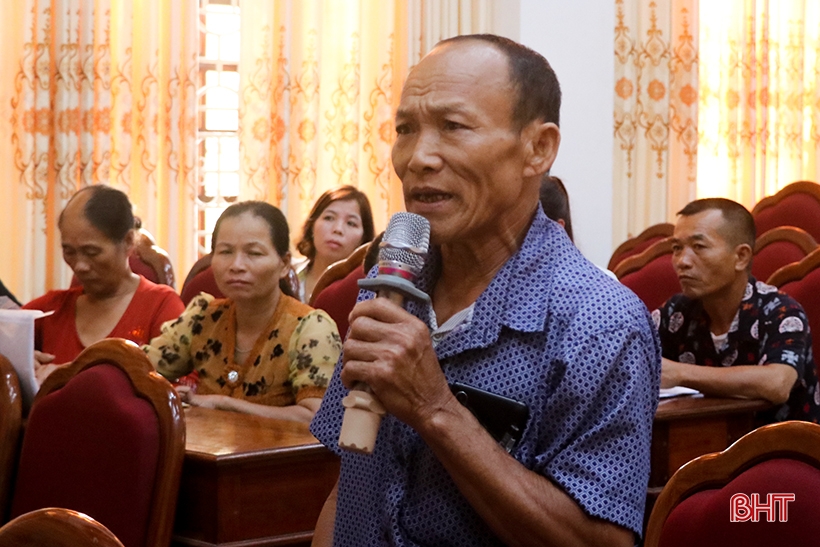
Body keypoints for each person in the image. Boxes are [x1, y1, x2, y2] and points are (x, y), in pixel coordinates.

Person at [310, 34, 660, 547]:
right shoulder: (388, 292)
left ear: (537, 148)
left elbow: (601, 541)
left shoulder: (599, 323)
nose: (418, 158)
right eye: (405, 129)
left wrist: (436, 409)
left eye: (453, 127)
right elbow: (349, 490)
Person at [144, 201, 341, 422]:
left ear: (284, 264)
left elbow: (317, 417)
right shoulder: (203, 316)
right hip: (206, 453)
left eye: (254, 253)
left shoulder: (310, 328)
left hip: (281, 456)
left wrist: (224, 404)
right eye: (226, 252)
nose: (236, 265)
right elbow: (137, 370)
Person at [655, 197, 820, 422]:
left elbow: (777, 383)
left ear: (741, 257)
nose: (682, 261)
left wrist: (680, 373)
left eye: (698, 247)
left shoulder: (781, 311)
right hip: (699, 442)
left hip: (783, 447)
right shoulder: (676, 312)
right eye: (676, 248)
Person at [24, 185, 184, 382]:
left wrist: (69, 373)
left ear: (127, 242)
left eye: (92, 252)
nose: (80, 265)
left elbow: (173, 389)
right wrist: (18, 360)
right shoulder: (51, 310)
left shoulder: (161, 306)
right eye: (69, 252)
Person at [295, 186, 375, 303]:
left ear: (364, 238)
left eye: (351, 223)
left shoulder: (367, 290)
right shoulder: (285, 276)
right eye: (329, 218)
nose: (337, 229)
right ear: (312, 225)